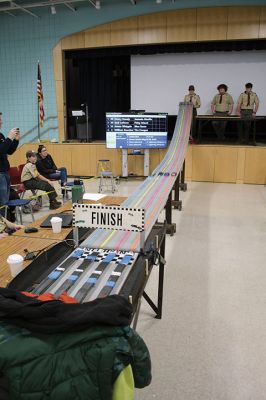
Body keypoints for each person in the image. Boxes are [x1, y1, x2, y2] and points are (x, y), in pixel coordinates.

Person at [0, 112, 20, 216]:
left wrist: (15, 141)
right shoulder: (4, 137)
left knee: (5, 200)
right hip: (0, 175)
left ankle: (5, 222)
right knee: (2, 202)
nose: (1, 122)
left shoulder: (1, 135)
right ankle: (2, 227)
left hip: (5, 172)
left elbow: (9, 151)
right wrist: (9, 138)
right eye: (0, 120)